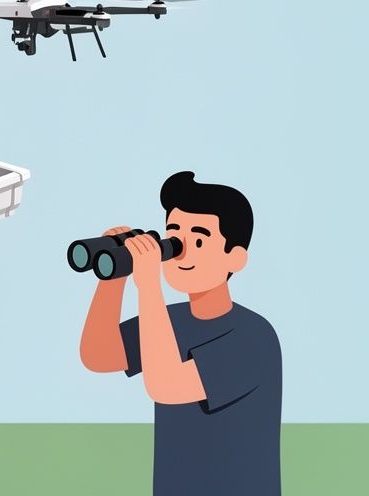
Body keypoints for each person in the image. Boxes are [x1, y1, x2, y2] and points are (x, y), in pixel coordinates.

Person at [79, 171, 282, 495]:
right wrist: (112, 281)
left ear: (236, 257)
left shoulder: (253, 338)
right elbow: (98, 355)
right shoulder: (169, 319)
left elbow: (166, 385)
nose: (181, 251)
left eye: (198, 240)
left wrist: (148, 287)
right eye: (174, 236)